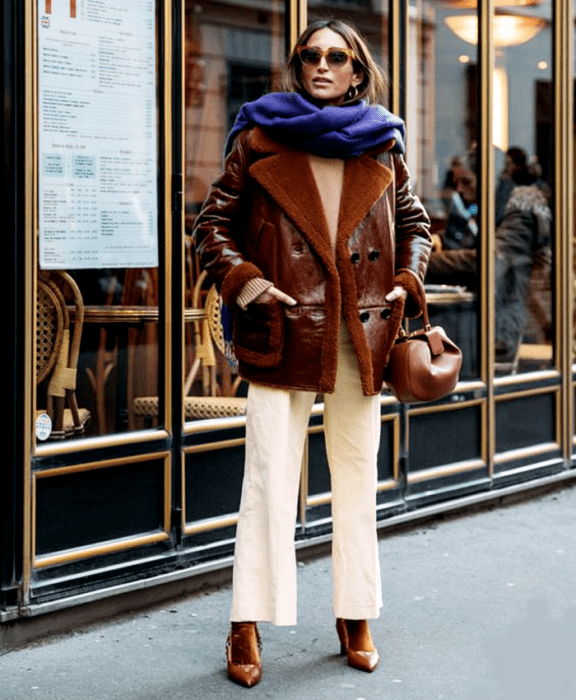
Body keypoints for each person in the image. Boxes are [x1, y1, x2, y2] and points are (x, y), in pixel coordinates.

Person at [193, 19, 432, 688]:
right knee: (269, 479)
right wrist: (246, 282)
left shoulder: (384, 140)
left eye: (336, 56)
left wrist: (407, 282)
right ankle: (247, 620)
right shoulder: (258, 134)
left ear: (357, 69)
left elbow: (415, 223)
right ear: (299, 66)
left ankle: (355, 612)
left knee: (357, 480)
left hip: (363, 334)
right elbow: (212, 224)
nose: (322, 65)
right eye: (310, 56)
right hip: (284, 328)